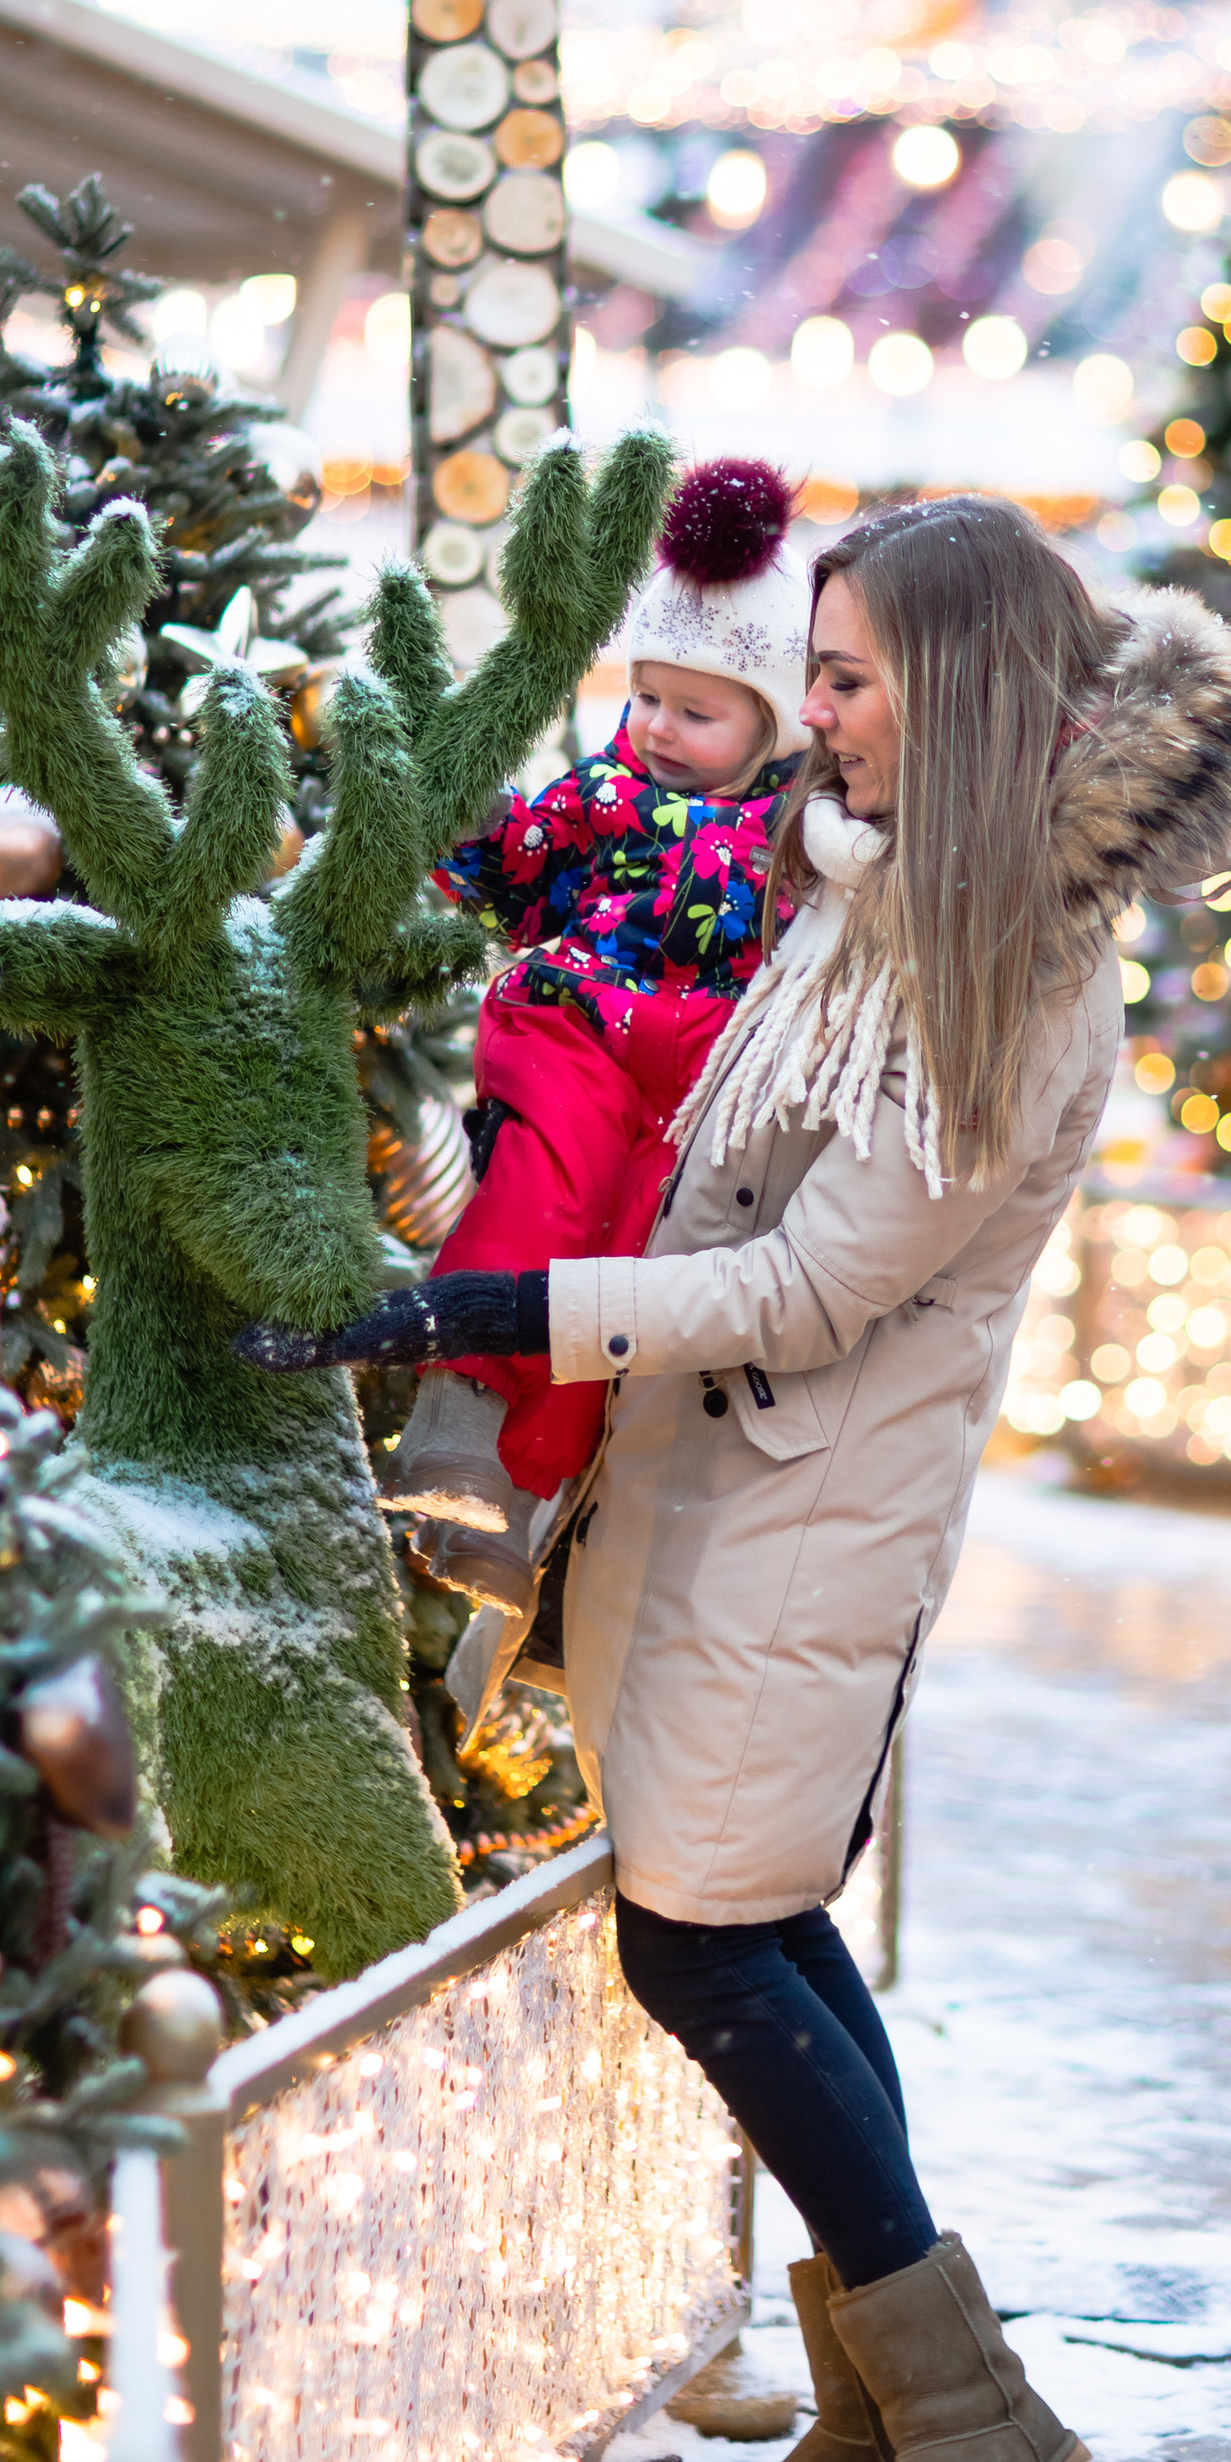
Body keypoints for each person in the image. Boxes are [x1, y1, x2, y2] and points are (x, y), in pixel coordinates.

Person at [239, 498, 1231, 2462]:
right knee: (759, 1928)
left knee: (707, 1946)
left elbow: (806, 1284)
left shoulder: (1003, 971)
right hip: (720, 1503)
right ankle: (884, 2417)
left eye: (850, 683)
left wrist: (504, 1316)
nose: (810, 726)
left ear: (965, 694)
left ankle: (962, 2413)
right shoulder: (874, 888)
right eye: (809, 678)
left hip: (804, 1528)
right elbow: (725, 1125)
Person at [388, 455, 811, 1619]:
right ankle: (456, 1414)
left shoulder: (800, 834)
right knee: (547, 1178)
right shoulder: (604, 793)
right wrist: (431, 851)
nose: (661, 729)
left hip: (696, 1067)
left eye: (699, 711)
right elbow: (498, 868)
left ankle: (522, 1504)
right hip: (575, 1023)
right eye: (647, 698)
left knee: (631, 1262)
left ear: (771, 723)